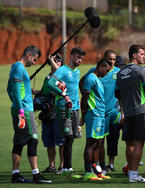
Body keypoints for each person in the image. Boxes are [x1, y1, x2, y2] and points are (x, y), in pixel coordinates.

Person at [115, 44, 145, 183]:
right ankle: (135, 175)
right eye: (142, 54)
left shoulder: (120, 72)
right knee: (138, 144)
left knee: (130, 144)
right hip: (141, 112)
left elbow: (117, 93)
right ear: (134, 56)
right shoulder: (140, 70)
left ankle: (131, 175)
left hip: (129, 113)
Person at [7, 46, 51, 183]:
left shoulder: (16, 67)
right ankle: (36, 175)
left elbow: (10, 90)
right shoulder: (19, 68)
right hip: (24, 111)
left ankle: (16, 175)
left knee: (19, 141)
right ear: (29, 55)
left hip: (21, 109)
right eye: (35, 59)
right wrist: (20, 110)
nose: (35, 62)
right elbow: (13, 90)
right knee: (33, 139)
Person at [47, 47, 86, 178]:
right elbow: (51, 83)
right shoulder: (62, 70)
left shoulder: (78, 71)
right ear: (72, 56)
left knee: (72, 138)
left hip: (75, 109)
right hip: (64, 108)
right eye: (78, 57)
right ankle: (67, 168)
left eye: (82, 59)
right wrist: (64, 94)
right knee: (68, 137)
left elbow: (75, 90)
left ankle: (66, 167)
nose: (80, 60)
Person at [33, 54, 64, 174]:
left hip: (58, 113)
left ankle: (62, 165)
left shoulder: (61, 75)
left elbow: (58, 70)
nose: (55, 62)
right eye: (54, 60)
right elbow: (45, 92)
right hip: (47, 113)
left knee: (61, 141)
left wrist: (51, 59)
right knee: (49, 141)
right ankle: (52, 165)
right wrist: (36, 92)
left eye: (58, 61)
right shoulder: (47, 78)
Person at [81, 59, 111, 181]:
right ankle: (88, 172)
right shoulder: (91, 78)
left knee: (98, 143)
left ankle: (96, 170)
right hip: (93, 115)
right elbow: (84, 98)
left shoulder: (97, 79)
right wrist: (83, 115)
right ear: (100, 67)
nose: (107, 73)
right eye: (106, 70)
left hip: (100, 115)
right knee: (91, 143)